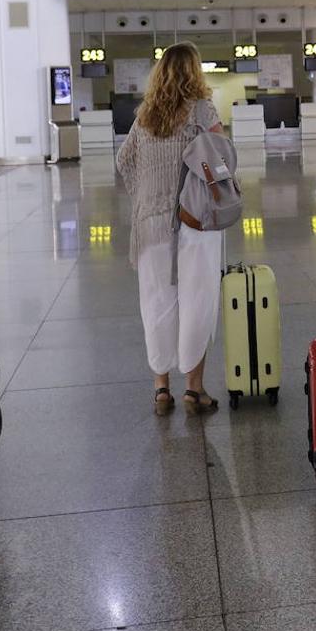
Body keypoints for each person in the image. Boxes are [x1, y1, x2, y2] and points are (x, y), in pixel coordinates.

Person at [116, 42, 224, 416]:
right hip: (194, 222)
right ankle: (194, 390)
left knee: (156, 303)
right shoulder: (201, 110)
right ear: (195, 71)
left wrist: (145, 198)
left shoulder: (146, 114)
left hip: (151, 226)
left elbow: (124, 158)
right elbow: (222, 156)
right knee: (198, 301)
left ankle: (162, 388)